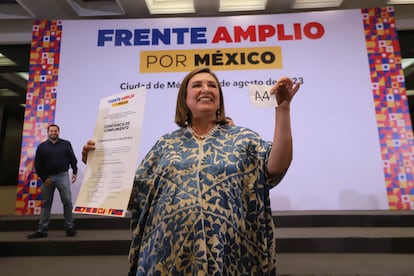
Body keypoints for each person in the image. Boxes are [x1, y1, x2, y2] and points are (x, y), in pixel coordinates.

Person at [82, 67, 299, 275]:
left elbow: (275, 167)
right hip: (166, 254)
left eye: (212, 85)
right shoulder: (165, 144)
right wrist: (99, 167)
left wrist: (283, 110)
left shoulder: (244, 139)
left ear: (219, 99)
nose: (206, 89)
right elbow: (136, 196)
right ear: (185, 99)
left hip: (228, 250)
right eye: (197, 85)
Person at [27, 124, 78, 239]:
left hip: (62, 176)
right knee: (46, 204)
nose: (53, 132)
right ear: (48, 132)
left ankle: (69, 228)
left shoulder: (66, 144)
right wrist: (44, 178)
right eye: (51, 131)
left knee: (67, 202)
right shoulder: (42, 147)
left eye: (55, 130)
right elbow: (38, 164)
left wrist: (74, 171)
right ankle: (42, 230)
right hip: (47, 179)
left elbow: (72, 159)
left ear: (58, 132)